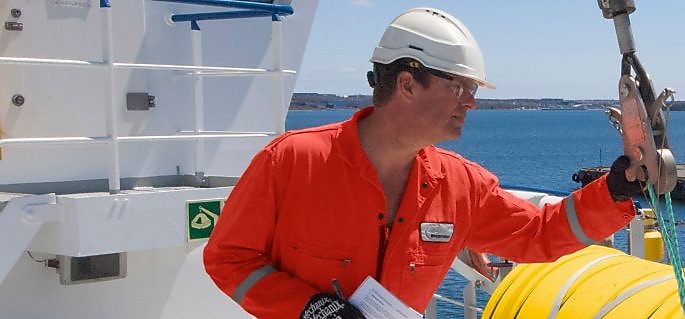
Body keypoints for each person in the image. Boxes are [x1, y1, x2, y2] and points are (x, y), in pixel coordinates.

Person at [203, 7, 644, 319]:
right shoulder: (292, 162)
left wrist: (614, 192)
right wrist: (307, 308)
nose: (472, 102)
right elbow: (229, 259)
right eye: (460, 88)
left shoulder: (460, 186)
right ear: (409, 83)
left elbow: (539, 234)